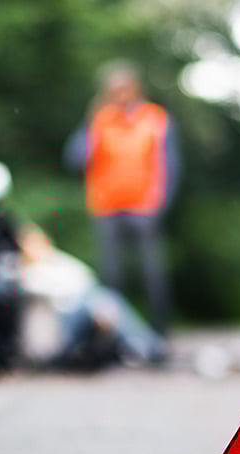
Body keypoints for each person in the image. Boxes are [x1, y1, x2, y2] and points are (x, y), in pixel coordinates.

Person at [63, 60, 181, 336]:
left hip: (145, 206)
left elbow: (171, 164)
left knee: (153, 274)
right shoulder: (100, 120)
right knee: (112, 276)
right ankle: (117, 336)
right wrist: (91, 122)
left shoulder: (155, 118)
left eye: (124, 88)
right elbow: (75, 159)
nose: (120, 95)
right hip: (106, 206)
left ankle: (160, 334)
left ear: (136, 88)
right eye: (114, 90)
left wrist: (161, 203)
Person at [17, 226, 165, 369]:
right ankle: (145, 345)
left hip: (84, 310)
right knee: (103, 300)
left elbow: (86, 277)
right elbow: (52, 290)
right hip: (64, 322)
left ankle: (138, 345)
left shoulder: (58, 261)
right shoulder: (25, 271)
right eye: (31, 244)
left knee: (104, 299)